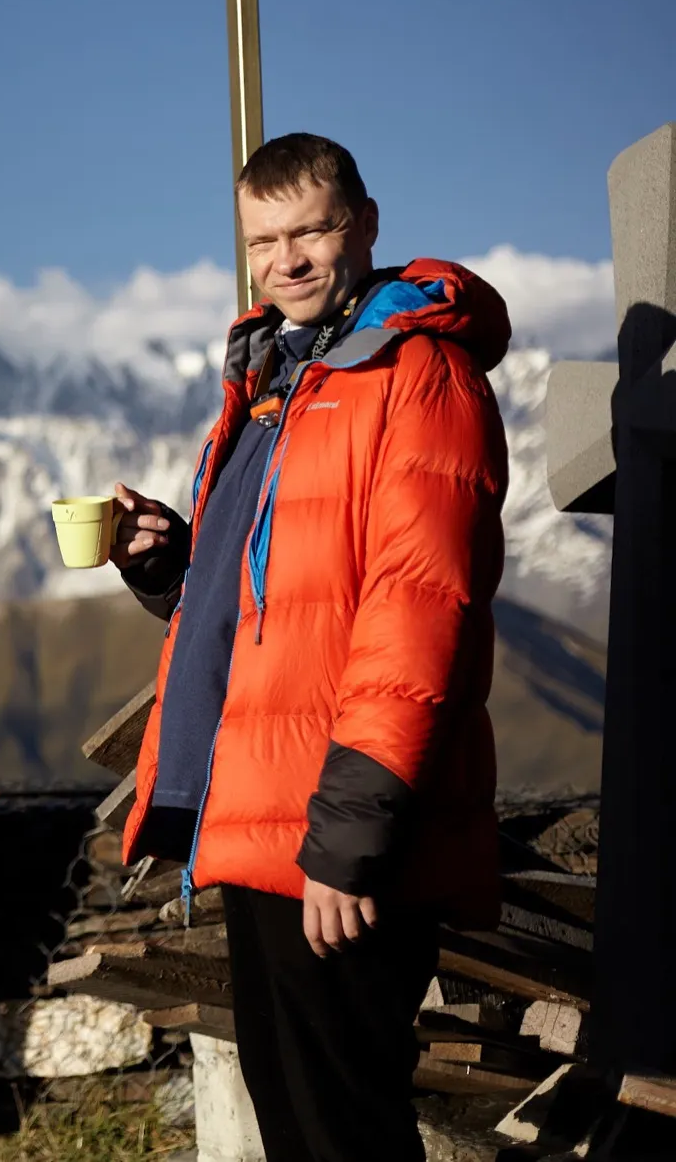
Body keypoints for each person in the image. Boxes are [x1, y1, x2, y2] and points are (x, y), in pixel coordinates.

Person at [106, 134, 510, 1162]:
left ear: (363, 225)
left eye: (310, 231)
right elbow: (275, 608)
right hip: (267, 812)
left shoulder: (416, 374)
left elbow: (417, 621)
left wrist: (348, 839)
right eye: (262, 241)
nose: (284, 259)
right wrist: (172, 563)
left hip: (335, 825)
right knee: (299, 1115)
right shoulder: (278, 381)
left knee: (339, 1126)